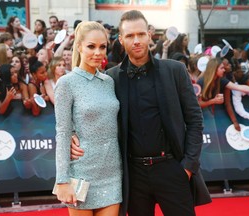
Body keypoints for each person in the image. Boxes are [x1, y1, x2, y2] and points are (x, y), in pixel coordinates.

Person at [71, 10, 211, 216]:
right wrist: (72, 134)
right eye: (129, 36)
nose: (136, 41)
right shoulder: (111, 78)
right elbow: (88, 110)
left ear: (149, 35)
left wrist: (188, 167)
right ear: (121, 40)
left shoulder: (175, 71)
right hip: (133, 175)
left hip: (172, 169)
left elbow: (195, 120)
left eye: (140, 34)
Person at [53, 21, 122, 216]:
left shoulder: (109, 82)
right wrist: (62, 180)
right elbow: (63, 132)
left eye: (102, 47)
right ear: (79, 46)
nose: (98, 52)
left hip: (112, 171)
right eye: (91, 46)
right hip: (82, 171)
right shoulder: (67, 83)